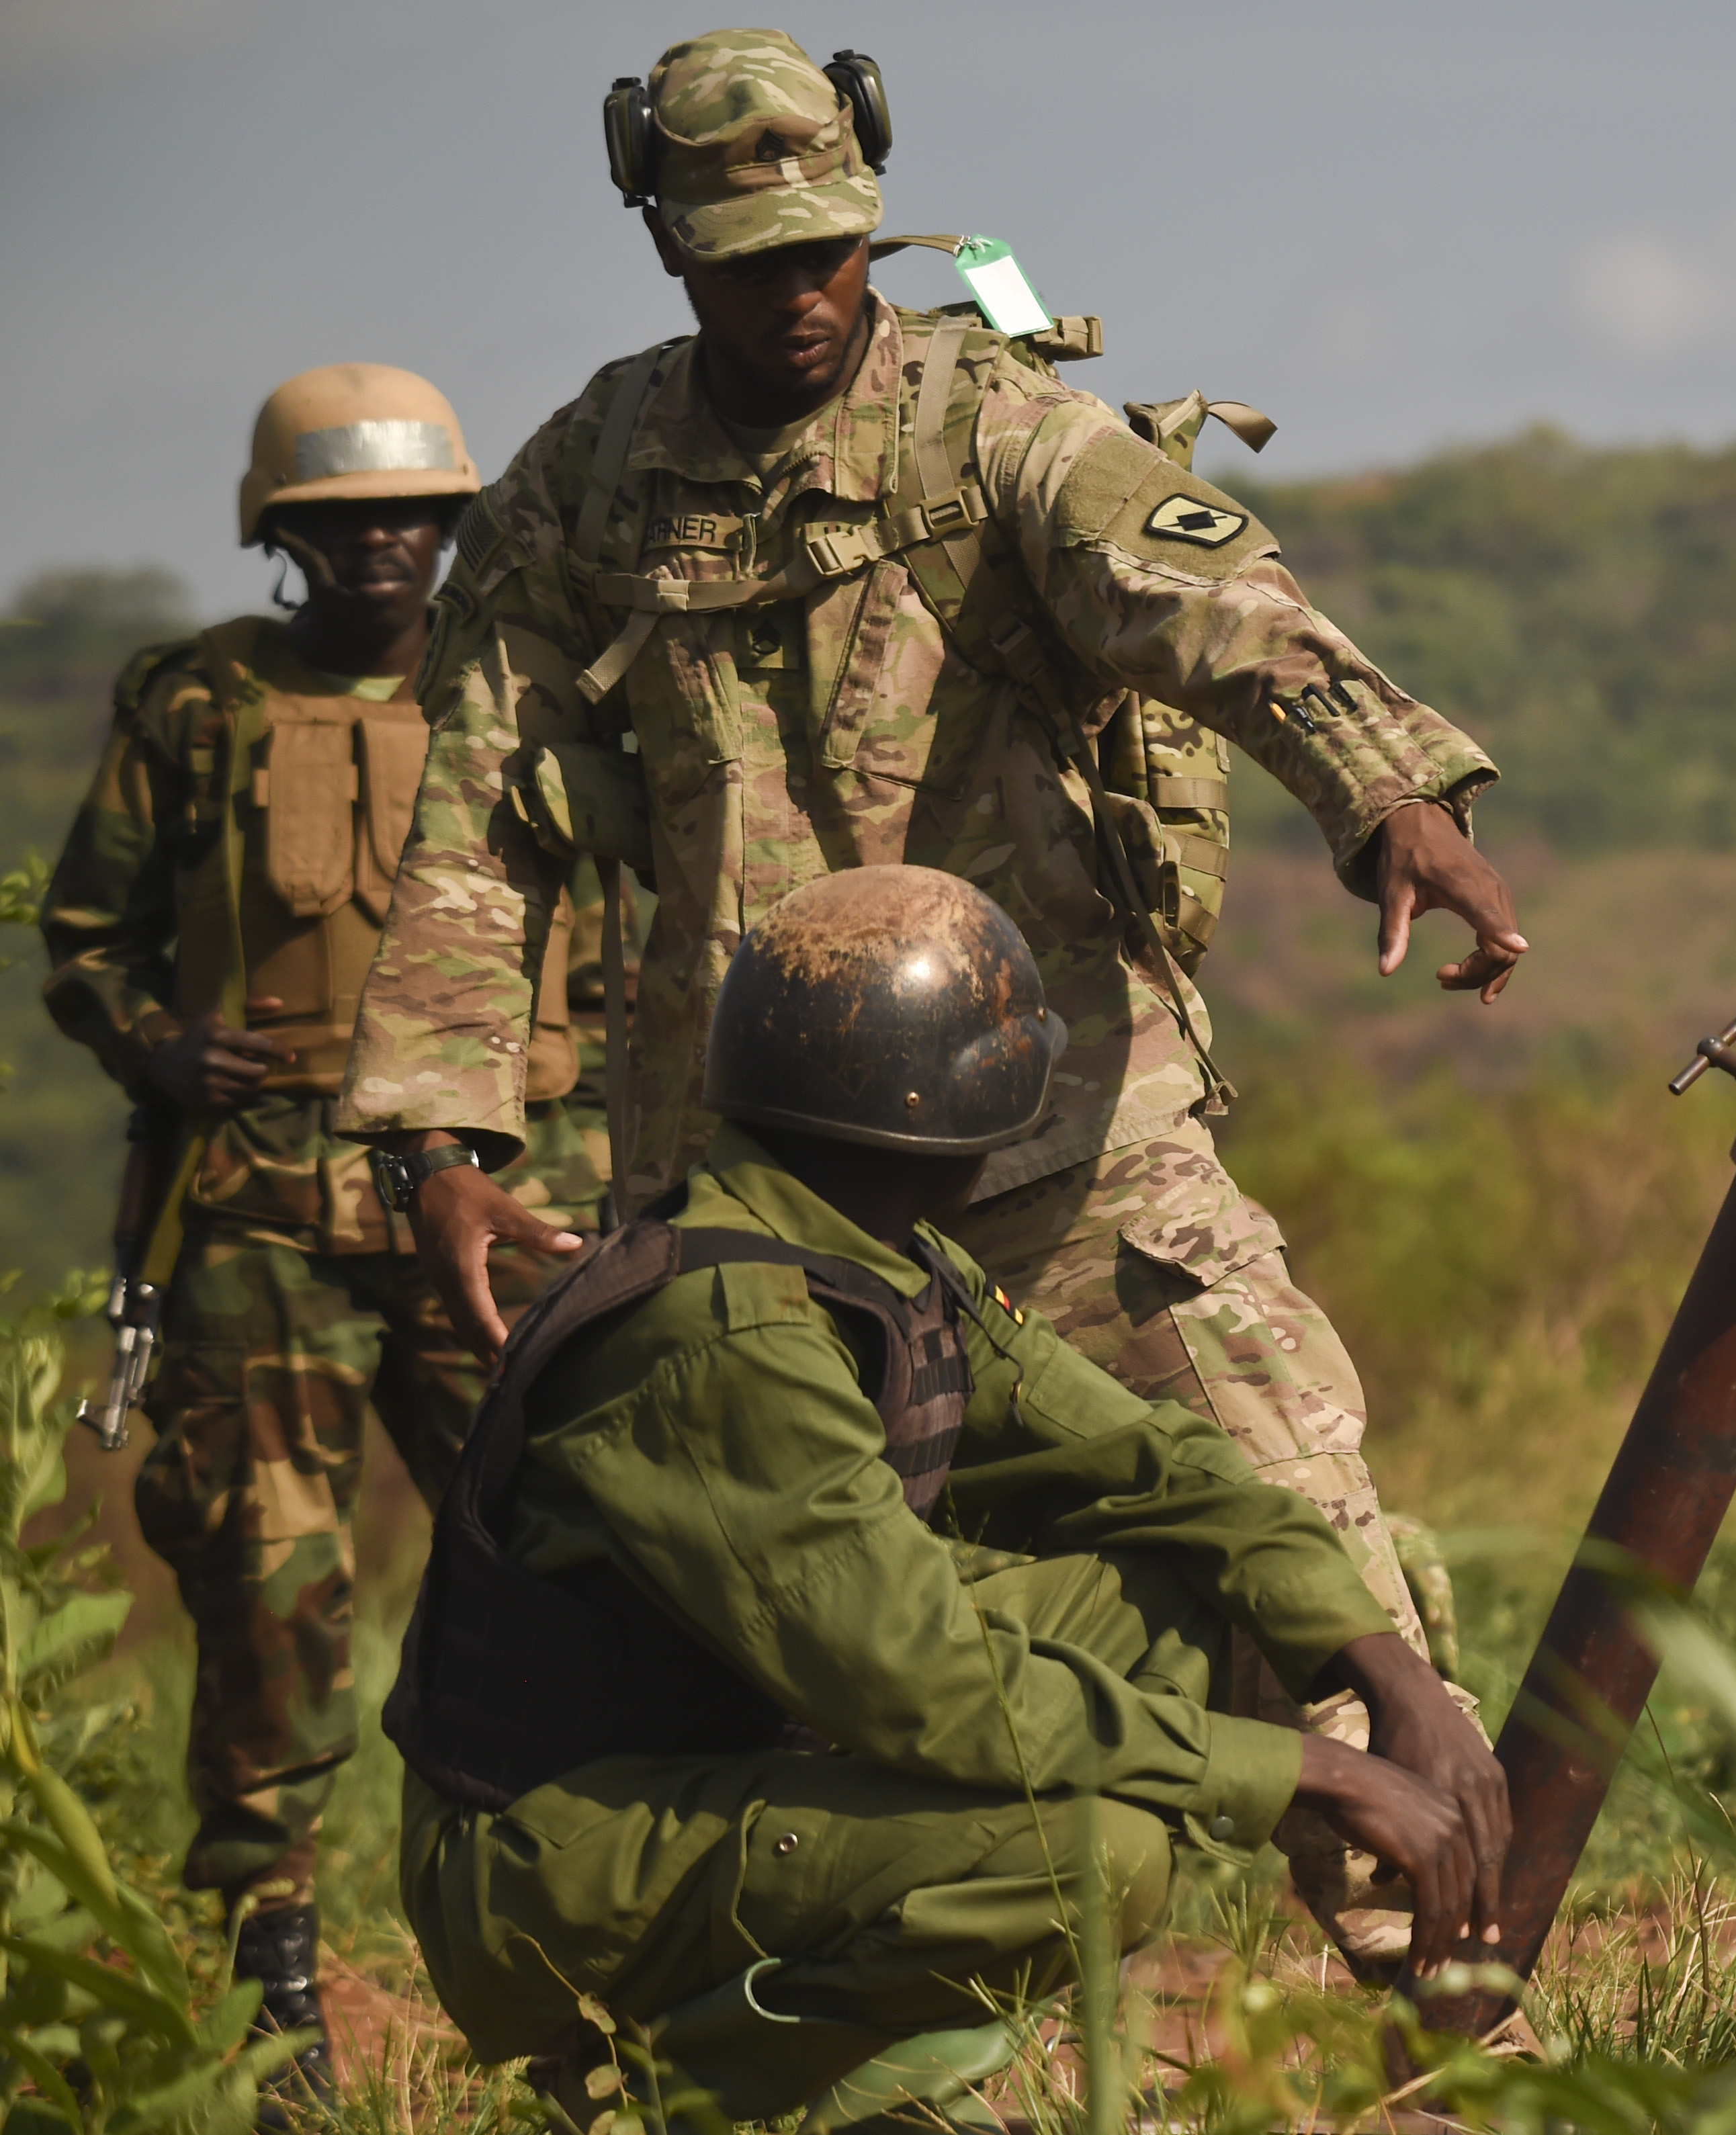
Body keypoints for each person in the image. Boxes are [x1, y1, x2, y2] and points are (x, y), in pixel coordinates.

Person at [334, 29, 1517, 1962]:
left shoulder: (998, 430)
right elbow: (481, 801)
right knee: (816, 1669)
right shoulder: (588, 486)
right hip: (766, 1212)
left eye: (829, 252)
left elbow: (1210, 605)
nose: (798, 297)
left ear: (873, 226)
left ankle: (1450, 2012)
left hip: (1064, 1154)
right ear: (666, 245)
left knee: (1315, 1563)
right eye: (747, 261)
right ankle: (871, 2060)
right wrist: (446, 1134)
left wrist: (1380, 787)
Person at [387, 866, 1506, 2132]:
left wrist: (1380, 1667)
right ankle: (672, 2097)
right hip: (554, 1854)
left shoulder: (877, 1258)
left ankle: (860, 2080)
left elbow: (1159, 1465)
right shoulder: (722, 1334)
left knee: (1202, 1594)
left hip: (716, 1757)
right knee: (1089, 1859)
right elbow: (927, 1682)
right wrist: (1299, 1767)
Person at [38, 363, 606, 2095]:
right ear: (286, 534)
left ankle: (574, 1904)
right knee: (269, 1578)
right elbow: (86, 934)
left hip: (498, 1192)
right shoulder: (197, 704)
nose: (383, 549)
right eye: (345, 521)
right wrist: (149, 1041)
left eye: (413, 518)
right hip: (262, 1201)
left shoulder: (533, 693)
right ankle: (270, 1952)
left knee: (563, 1550)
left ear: (452, 528)